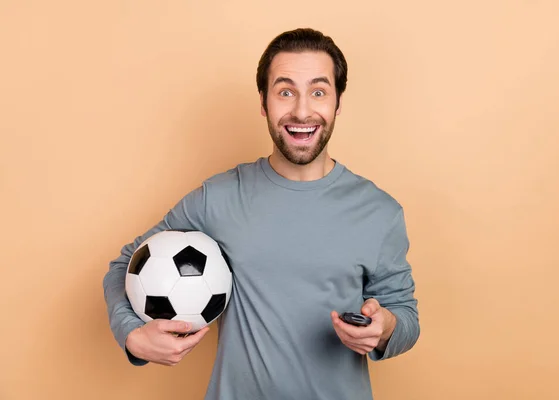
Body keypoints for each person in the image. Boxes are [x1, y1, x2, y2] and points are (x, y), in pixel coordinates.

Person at [103, 27, 420, 399]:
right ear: (263, 102)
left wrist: (382, 328)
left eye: (318, 92)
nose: (302, 110)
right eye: (285, 92)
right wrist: (131, 334)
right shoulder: (218, 198)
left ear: (337, 102)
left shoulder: (378, 211)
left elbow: (405, 318)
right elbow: (126, 264)